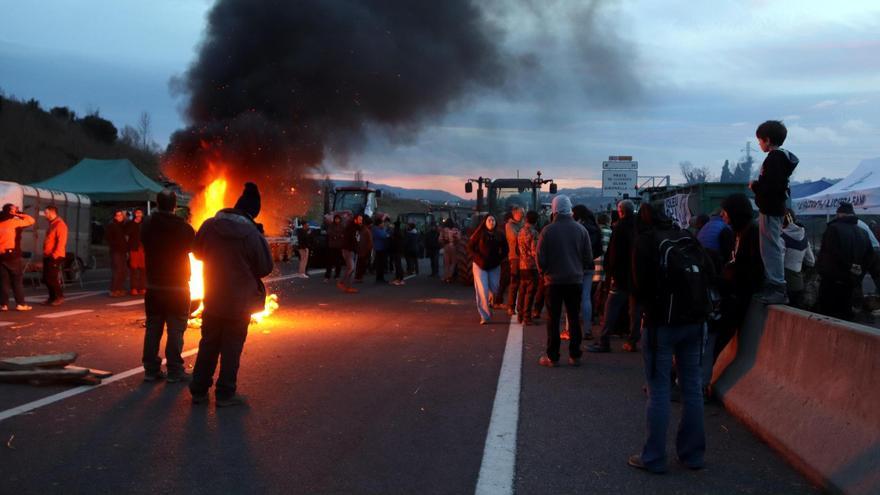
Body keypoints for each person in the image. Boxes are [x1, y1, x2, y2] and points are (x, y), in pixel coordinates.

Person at [627, 208, 713, 474]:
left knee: (659, 390)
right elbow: (710, 272)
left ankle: (653, 457)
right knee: (692, 388)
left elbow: (639, 286)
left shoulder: (645, 242)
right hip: (696, 322)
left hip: (661, 324)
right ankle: (692, 455)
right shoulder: (687, 237)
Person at [190, 182, 273, 407]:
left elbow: (197, 253)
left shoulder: (209, 226)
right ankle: (226, 394)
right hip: (239, 302)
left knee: (208, 344)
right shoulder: (251, 234)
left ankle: (198, 390)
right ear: (252, 212)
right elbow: (265, 267)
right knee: (232, 347)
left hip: (213, 297)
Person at [141, 189, 195, 383]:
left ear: (156, 203)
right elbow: (194, 249)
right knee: (176, 329)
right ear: (175, 206)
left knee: (153, 327)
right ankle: (174, 370)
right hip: (178, 286)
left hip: (154, 285)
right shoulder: (184, 228)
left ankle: (150, 370)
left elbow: (143, 239)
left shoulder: (147, 225)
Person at [536, 195, 592, 367]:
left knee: (553, 319)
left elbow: (540, 258)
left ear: (554, 210)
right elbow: (588, 257)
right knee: (574, 317)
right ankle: (575, 355)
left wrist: (544, 272)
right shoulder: (581, 230)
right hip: (575, 280)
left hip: (553, 282)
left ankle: (552, 356)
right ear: (570, 209)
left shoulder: (547, 231)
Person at [750, 120, 799, 304]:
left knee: (770, 248)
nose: (759, 144)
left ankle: (777, 287)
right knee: (771, 246)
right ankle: (775, 286)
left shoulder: (774, 158)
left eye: (760, 141)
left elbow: (772, 187)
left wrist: (756, 187)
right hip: (774, 208)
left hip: (770, 208)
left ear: (768, 140)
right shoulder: (782, 158)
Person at [589, 200, 639, 353]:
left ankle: (604, 341)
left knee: (611, 307)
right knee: (635, 310)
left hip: (621, 276)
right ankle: (632, 341)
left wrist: (610, 273)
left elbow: (614, 255)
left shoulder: (619, 228)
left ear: (620, 211)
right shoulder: (639, 227)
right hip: (637, 276)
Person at [816, 202, 874, 320]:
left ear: (839, 214)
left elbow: (829, 254)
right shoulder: (863, 233)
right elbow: (869, 257)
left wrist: (821, 270)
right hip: (852, 283)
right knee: (846, 318)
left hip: (832, 283)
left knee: (828, 318)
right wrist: (858, 273)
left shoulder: (833, 229)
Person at [468, 215, 507, 324]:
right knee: (482, 290)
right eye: (489, 220)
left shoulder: (500, 235)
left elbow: (505, 249)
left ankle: (490, 301)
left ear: (496, 222)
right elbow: (470, 247)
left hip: (494, 266)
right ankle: (484, 315)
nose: (491, 221)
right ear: (485, 222)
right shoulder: (479, 234)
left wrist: (499, 258)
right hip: (480, 266)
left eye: (493, 220)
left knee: (494, 288)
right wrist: (478, 258)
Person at [572, 205, 601, 339]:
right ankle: (587, 329)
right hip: (590, 265)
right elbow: (599, 249)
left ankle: (570, 329)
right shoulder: (595, 228)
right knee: (586, 297)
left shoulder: (577, 228)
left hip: (576, 265)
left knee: (571, 297)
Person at [0, 204, 35, 311]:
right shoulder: (15, 222)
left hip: (1, 256)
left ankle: (3, 305)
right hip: (13, 256)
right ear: (11, 212)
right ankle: (20, 304)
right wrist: (19, 213)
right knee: (17, 280)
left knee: (3, 281)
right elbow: (31, 220)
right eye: (14, 209)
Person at [781, 210, 815, 309]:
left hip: (785, 284)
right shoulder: (804, 237)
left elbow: (779, 262)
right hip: (799, 283)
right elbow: (811, 261)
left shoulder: (782, 237)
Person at [41, 205, 68, 306]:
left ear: (52, 213)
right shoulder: (52, 224)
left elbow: (61, 242)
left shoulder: (60, 225)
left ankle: (59, 296)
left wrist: (55, 255)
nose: (45, 215)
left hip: (55, 255)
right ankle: (52, 297)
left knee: (51, 278)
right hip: (48, 254)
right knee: (46, 278)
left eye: (46, 213)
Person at [517, 210, 540, 325]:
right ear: (535, 221)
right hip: (532, 266)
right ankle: (527, 317)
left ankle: (520, 315)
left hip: (522, 265)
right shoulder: (534, 233)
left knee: (522, 290)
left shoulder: (520, 231)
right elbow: (534, 251)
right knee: (530, 293)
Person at [504, 207, 524, 316]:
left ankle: (520, 307)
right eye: (521, 213)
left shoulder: (522, 225)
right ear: (515, 214)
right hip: (515, 257)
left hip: (524, 258)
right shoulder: (509, 226)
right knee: (514, 282)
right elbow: (515, 238)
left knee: (523, 284)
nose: (522, 215)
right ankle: (511, 306)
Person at [106, 209, 129, 297]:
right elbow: (109, 238)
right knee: (117, 270)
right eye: (118, 215)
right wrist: (114, 245)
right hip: (116, 251)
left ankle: (119, 288)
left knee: (123, 270)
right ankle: (113, 289)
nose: (120, 217)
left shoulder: (122, 225)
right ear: (115, 216)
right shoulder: (112, 225)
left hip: (123, 250)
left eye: (121, 215)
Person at [339, 214, 361, 293]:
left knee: (352, 269)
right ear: (355, 220)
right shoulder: (351, 228)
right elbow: (352, 240)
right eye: (359, 219)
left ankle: (348, 287)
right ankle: (342, 282)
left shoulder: (356, 228)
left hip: (351, 250)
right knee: (351, 268)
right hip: (348, 250)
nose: (361, 221)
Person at [127, 208, 146, 296]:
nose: (138, 214)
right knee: (134, 269)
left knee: (143, 269)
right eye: (137, 213)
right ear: (134, 214)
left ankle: (142, 287)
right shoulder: (131, 223)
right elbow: (128, 232)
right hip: (134, 248)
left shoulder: (145, 223)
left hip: (143, 248)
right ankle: (133, 288)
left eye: (140, 212)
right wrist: (135, 223)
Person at [324, 214, 344, 282]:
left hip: (339, 246)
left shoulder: (342, 226)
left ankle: (337, 275)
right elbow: (329, 233)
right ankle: (327, 276)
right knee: (329, 261)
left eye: (338, 219)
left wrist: (337, 236)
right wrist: (337, 235)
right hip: (332, 246)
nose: (337, 220)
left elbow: (343, 234)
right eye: (336, 219)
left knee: (338, 262)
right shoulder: (331, 225)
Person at [355, 216, 373, 282]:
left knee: (361, 264)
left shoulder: (364, 230)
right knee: (361, 264)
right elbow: (368, 242)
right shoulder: (364, 230)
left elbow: (368, 241)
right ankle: (358, 277)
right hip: (362, 249)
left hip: (363, 249)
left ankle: (358, 277)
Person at [372, 217, 390, 283]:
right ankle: (379, 278)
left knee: (381, 264)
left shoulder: (379, 229)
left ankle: (380, 278)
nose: (383, 224)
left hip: (381, 248)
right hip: (379, 249)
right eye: (382, 223)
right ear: (379, 224)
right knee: (380, 265)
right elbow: (384, 236)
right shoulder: (376, 230)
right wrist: (386, 233)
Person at [390, 221, 407, 286]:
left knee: (397, 265)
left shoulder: (396, 232)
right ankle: (399, 278)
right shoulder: (400, 232)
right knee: (398, 264)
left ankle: (399, 279)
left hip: (396, 250)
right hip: (399, 250)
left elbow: (394, 242)